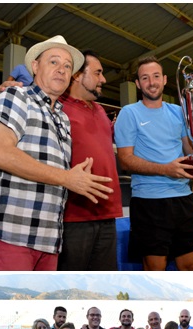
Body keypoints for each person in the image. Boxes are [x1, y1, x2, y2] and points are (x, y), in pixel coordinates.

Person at [0, 35, 112, 270]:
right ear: (35, 66)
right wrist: (68, 178)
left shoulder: (62, 118)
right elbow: (0, 153)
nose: (62, 70)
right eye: (54, 62)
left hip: (50, 240)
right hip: (14, 235)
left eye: (67, 66)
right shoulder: (16, 97)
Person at [115, 56, 193, 271]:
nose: (152, 82)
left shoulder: (179, 111)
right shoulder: (129, 113)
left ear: (165, 79)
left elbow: (189, 150)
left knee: (190, 267)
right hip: (149, 202)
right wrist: (165, 169)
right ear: (138, 84)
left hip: (184, 200)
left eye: (156, 76)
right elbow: (125, 160)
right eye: (145, 78)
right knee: (154, 268)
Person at [57, 50, 122, 270]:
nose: (103, 79)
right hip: (75, 216)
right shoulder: (57, 108)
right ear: (77, 75)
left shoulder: (101, 111)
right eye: (98, 73)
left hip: (108, 214)